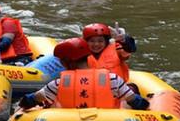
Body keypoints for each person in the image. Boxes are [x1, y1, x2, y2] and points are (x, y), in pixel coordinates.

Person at [18, 38, 150, 110]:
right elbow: (137, 102)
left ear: (66, 62)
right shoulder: (113, 79)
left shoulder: (57, 84)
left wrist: (23, 104)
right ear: (87, 57)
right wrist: (146, 105)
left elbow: (30, 100)